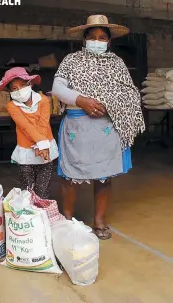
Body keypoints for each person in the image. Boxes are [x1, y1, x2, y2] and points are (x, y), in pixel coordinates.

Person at [52, 15, 145, 240]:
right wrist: (82, 100)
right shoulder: (72, 60)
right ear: (84, 40)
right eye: (92, 37)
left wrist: (111, 104)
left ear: (109, 41)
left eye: (102, 37)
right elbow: (57, 87)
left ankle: (99, 220)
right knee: (70, 176)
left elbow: (129, 92)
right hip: (77, 127)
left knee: (104, 176)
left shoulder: (117, 63)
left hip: (106, 128)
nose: (97, 40)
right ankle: (67, 217)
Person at [0, 67, 59, 198]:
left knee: (43, 191)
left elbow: (43, 123)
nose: (19, 90)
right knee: (27, 191)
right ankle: (28, 216)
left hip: (46, 150)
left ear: (29, 84)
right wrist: (41, 142)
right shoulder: (12, 106)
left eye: (22, 85)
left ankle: (41, 215)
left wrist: (42, 145)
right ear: (10, 91)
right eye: (14, 88)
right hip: (25, 152)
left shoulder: (43, 100)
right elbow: (25, 126)